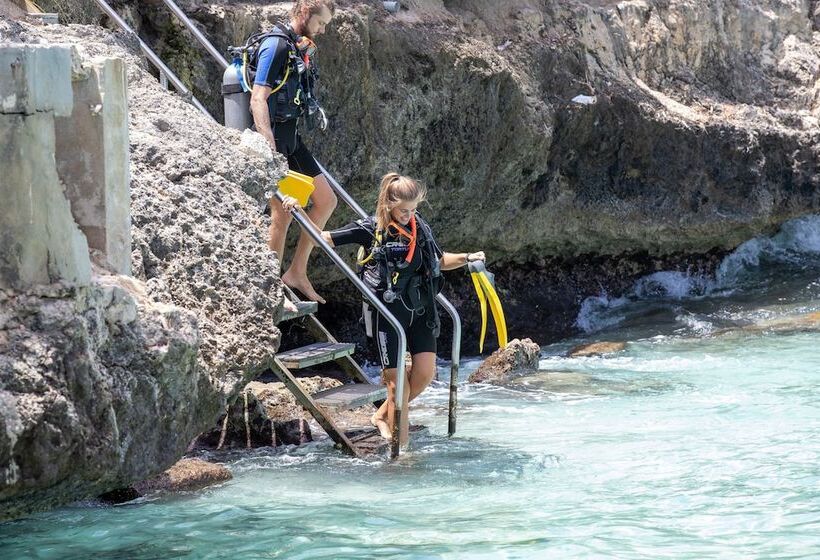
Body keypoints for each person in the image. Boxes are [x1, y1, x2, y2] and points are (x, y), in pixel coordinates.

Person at [283, 173, 486, 445]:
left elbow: (439, 260)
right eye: (404, 210)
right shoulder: (370, 228)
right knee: (397, 386)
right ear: (389, 203)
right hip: (387, 314)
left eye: (413, 209)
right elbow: (323, 237)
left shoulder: (420, 228)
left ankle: (380, 416)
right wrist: (297, 210)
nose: (409, 215)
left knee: (425, 374)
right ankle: (402, 453)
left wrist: (466, 257)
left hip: (420, 310)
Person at [250, 0, 336, 306]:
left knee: (325, 200)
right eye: (320, 23)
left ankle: (297, 271)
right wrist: (267, 146)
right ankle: (270, 287)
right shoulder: (275, 46)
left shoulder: (296, 47)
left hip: (292, 137)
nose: (323, 30)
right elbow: (258, 98)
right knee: (282, 213)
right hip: (273, 139)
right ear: (303, 14)